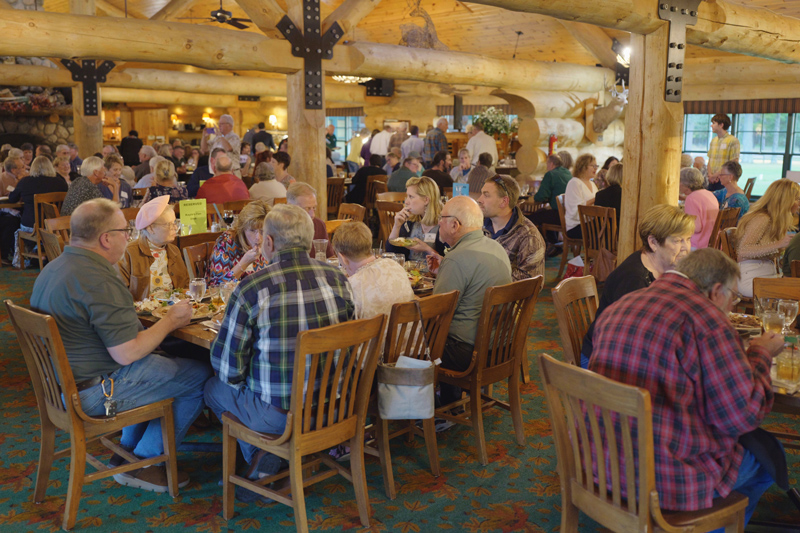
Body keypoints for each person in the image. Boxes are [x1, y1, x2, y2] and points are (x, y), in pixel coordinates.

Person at [30, 198, 212, 492]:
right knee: (200, 375)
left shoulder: (53, 268)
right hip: (94, 392)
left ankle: (127, 449)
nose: (129, 236)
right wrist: (171, 321)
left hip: (62, 387)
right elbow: (129, 352)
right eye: (124, 230)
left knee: (166, 364)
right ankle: (146, 463)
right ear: (105, 239)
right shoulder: (99, 278)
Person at [591, 248, 783, 524]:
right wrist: (761, 352)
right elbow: (742, 416)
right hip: (665, 479)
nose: (731, 307)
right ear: (717, 290)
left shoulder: (621, 305)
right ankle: (707, 526)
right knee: (767, 461)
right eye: (733, 297)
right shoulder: (708, 321)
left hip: (600, 461)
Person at [203, 204, 354, 488]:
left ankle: (262, 458)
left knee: (212, 387)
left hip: (281, 418)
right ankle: (266, 458)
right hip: (335, 406)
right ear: (310, 240)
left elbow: (228, 369)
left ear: (268, 242)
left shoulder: (252, 288)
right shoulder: (339, 279)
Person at [580, 204, 694, 367]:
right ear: (653, 242)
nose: (686, 248)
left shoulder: (665, 266)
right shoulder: (634, 280)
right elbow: (630, 342)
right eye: (677, 241)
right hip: (604, 360)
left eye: (688, 239)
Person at [427, 196, 512, 409]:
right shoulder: (496, 247)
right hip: (501, 347)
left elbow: (437, 315)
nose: (438, 223)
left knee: (410, 340)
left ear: (455, 225)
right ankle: (451, 401)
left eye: (441, 218)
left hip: (468, 354)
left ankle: (417, 411)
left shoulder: (457, 259)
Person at [333, 221, 414, 320]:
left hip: (377, 335)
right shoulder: (395, 265)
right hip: (413, 334)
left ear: (342, 257)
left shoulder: (351, 288)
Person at [734, 178, 800, 297]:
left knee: (794, 288)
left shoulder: (777, 220)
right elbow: (743, 251)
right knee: (793, 293)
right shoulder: (762, 218)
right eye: (797, 199)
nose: (798, 203)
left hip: (766, 274)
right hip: (751, 278)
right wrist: (778, 244)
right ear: (785, 200)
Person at [116, 195, 189, 301]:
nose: (175, 228)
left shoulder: (174, 251)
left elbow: (185, 286)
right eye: (168, 224)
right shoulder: (129, 253)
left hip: (173, 309)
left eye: (175, 222)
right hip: (142, 314)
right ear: (150, 228)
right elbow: (121, 295)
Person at [478, 174, 544, 282]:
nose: (479, 199)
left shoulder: (529, 236)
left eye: (486, 195)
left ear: (504, 201)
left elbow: (528, 285)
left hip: (501, 297)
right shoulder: (478, 225)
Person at [8, 156, 69, 266]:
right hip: (54, 226)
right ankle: (44, 252)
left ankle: (34, 253)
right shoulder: (61, 183)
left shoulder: (25, 182)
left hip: (31, 226)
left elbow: (12, 199)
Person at [205, 200, 270, 286]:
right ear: (242, 229)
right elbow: (215, 286)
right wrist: (244, 263)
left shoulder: (270, 241)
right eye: (252, 230)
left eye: (262, 231)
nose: (258, 237)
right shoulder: (226, 243)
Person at [386, 176, 447, 262]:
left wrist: (426, 248)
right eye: (407, 196)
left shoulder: (444, 224)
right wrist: (397, 226)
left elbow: (449, 263)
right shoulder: (410, 221)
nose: (406, 202)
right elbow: (391, 252)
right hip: (411, 272)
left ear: (426, 200)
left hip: (434, 274)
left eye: (411, 197)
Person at [530, 154, 571, 246]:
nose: (547, 166)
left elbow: (541, 197)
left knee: (530, 219)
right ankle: (553, 244)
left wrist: (534, 196)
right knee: (543, 213)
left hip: (559, 215)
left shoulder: (550, 174)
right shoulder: (568, 173)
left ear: (551, 164)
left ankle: (542, 245)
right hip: (568, 213)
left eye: (547, 164)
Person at [286, 182, 334, 259]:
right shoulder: (281, 228)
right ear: (290, 207)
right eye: (307, 208)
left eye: (314, 208)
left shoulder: (319, 224)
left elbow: (330, 257)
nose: (312, 215)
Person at [680, 166, 718, 250]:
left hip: (698, 245)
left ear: (684, 183)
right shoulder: (709, 194)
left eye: (679, 181)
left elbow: (696, 228)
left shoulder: (691, 199)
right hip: (714, 243)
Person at [563, 154, 598, 239]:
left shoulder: (592, 184)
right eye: (592, 166)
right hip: (576, 226)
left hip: (590, 222)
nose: (596, 168)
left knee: (609, 226)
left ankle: (600, 251)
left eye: (596, 165)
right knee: (603, 230)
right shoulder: (574, 183)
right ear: (583, 167)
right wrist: (596, 198)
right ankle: (596, 251)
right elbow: (576, 209)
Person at [707, 113, 740, 191]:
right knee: (710, 202)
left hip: (724, 180)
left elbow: (733, 163)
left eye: (714, 123)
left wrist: (716, 175)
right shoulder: (713, 140)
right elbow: (710, 160)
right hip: (712, 180)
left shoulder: (733, 140)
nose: (711, 125)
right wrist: (710, 175)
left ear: (721, 125)